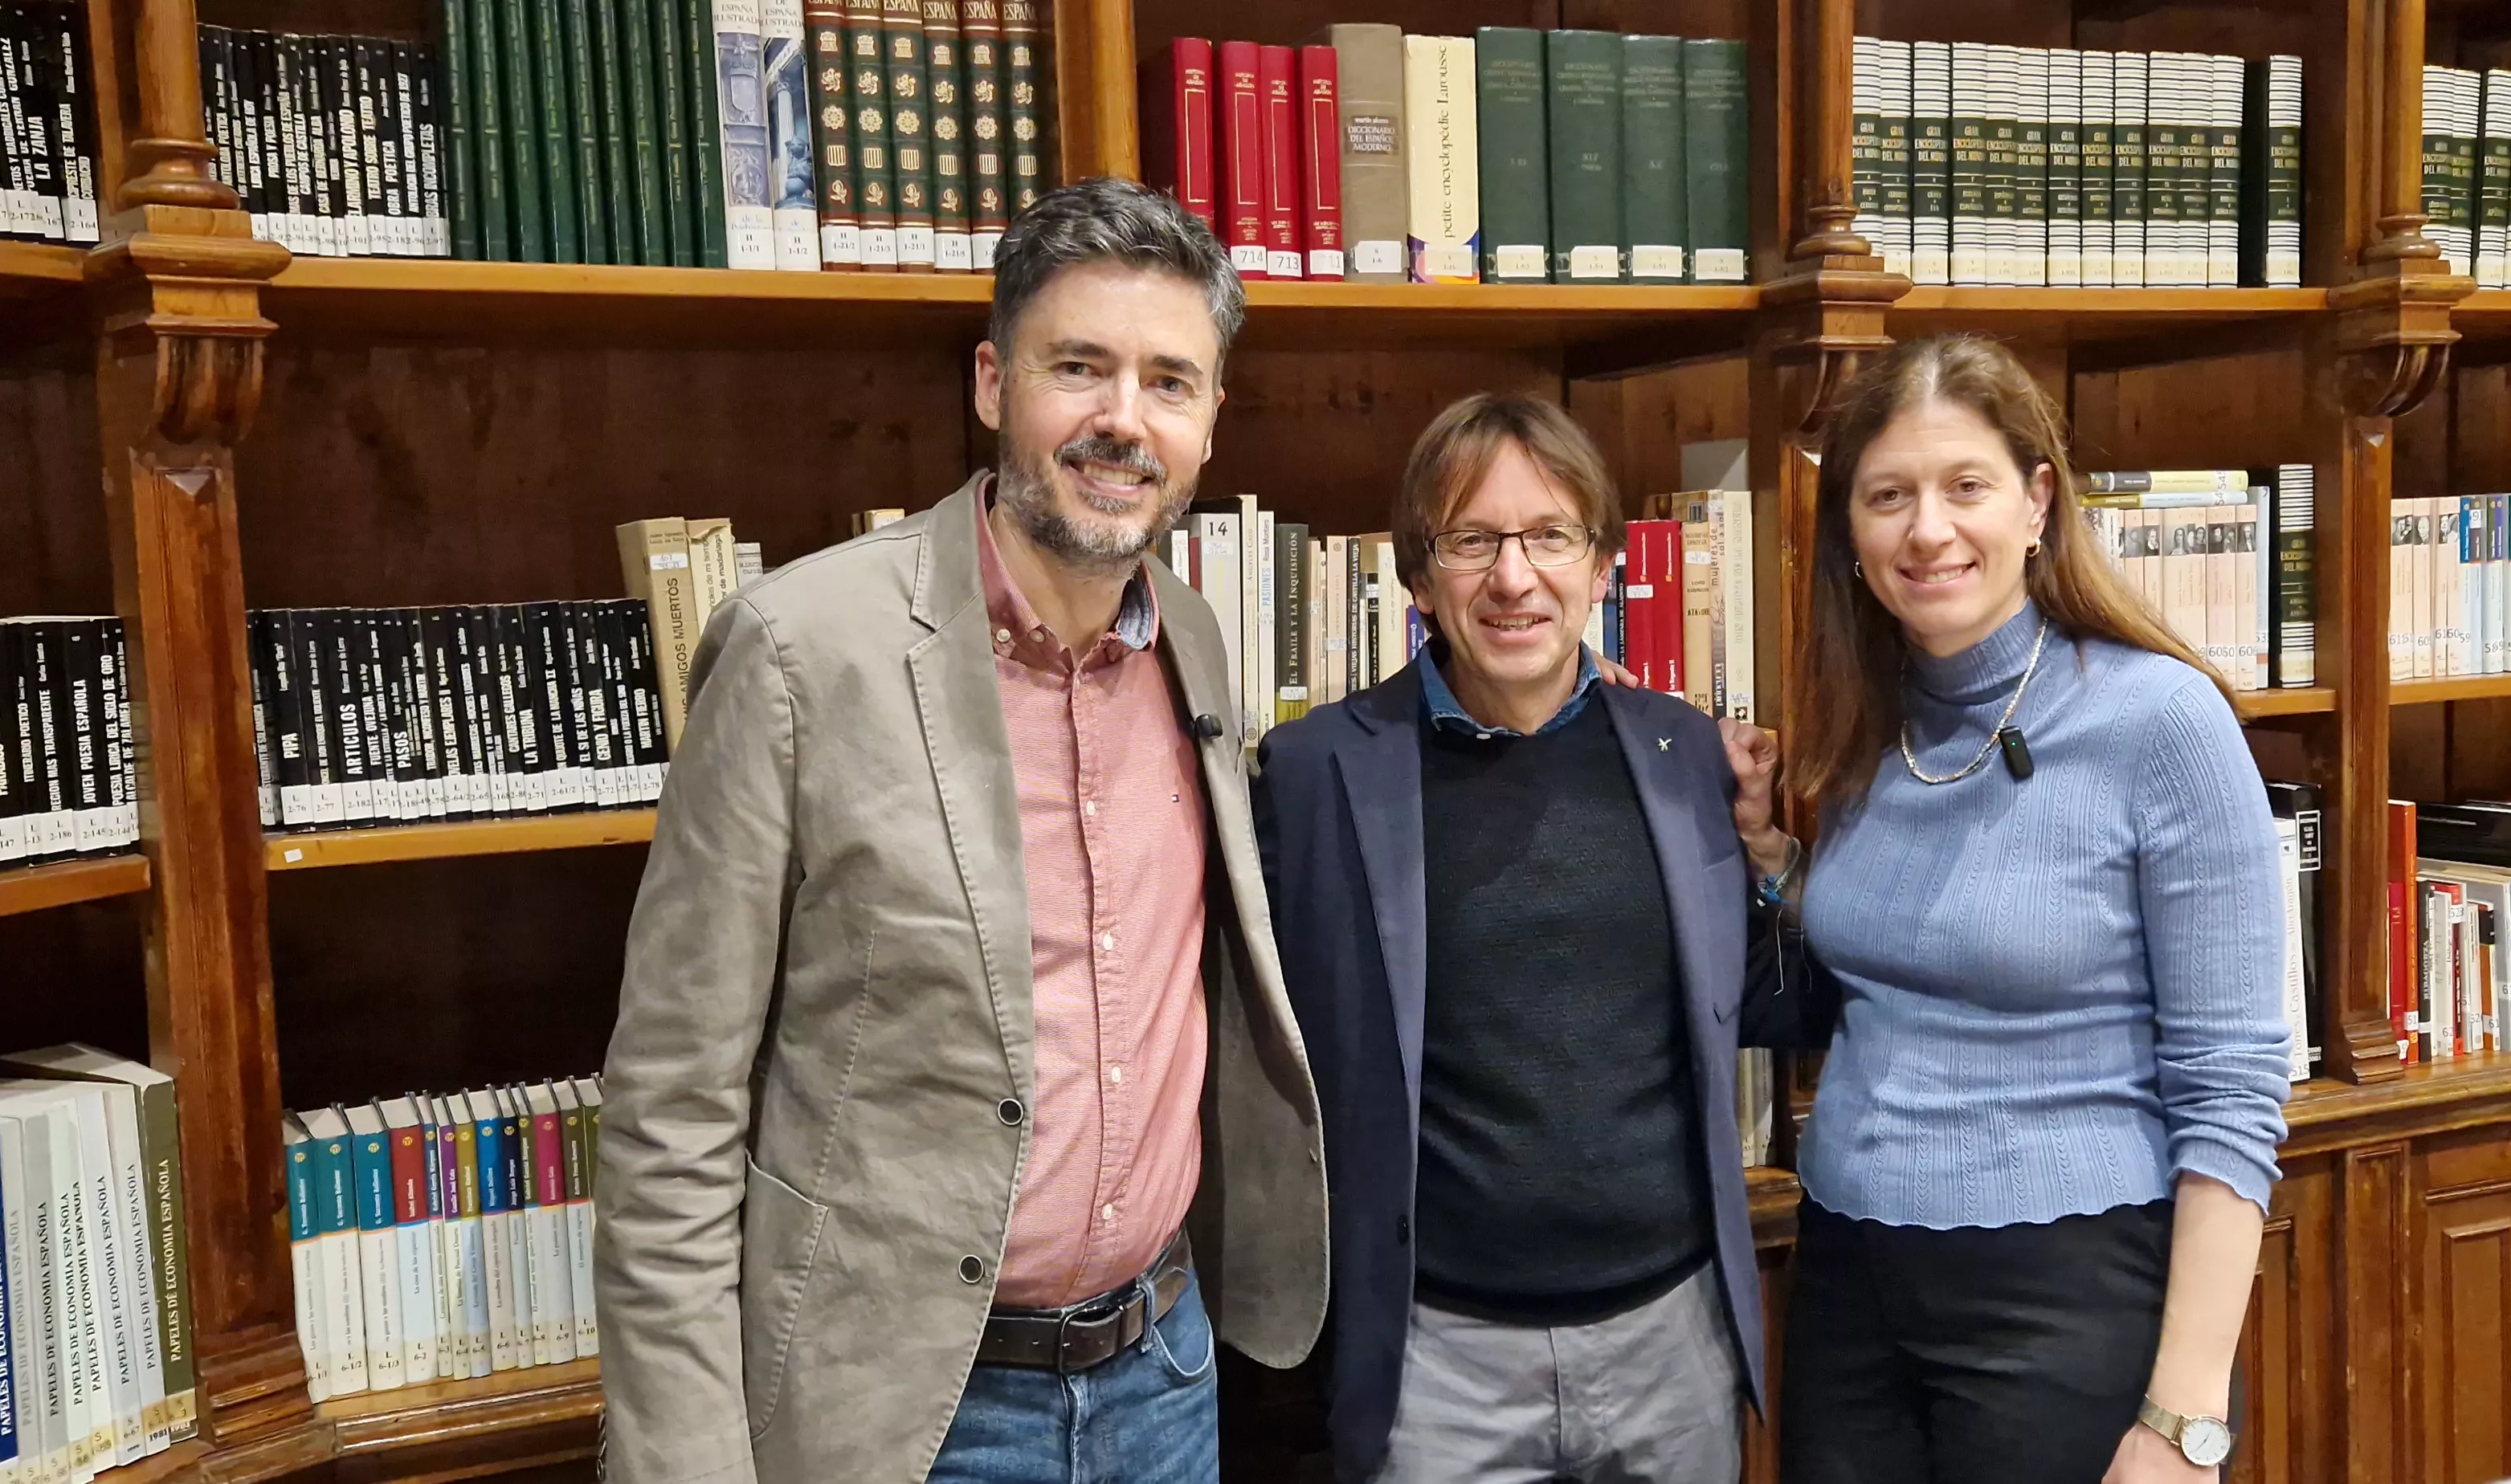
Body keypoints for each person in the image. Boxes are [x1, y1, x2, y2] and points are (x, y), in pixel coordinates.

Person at [594, 177, 1327, 1484]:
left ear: (1213, 420)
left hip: (1166, 1372)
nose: (1122, 419)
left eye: (1170, 381)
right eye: (1079, 367)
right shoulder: (800, 652)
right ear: (994, 383)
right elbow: (672, 1110)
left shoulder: (1198, 644)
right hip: (912, 1412)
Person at [1254, 393, 1811, 1484]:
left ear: (1602, 568)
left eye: (1550, 536)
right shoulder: (1318, 772)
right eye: (1472, 541)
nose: (1515, 579)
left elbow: (1764, 1001)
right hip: (1439, 1363)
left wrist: (1772, 864)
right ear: (1417, 578)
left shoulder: (1683, 752)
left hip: (1674, 1342)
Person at [1767, 334, 2292, 1484]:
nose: (1929, 530)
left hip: (2065, 1297)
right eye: (1889, 496)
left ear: (2038, 500)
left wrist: (2184, 1423)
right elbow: (1899, 957)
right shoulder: (1868, 719)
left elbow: (2236, 1089)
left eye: (1966, 487)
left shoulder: (2163, 722)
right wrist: (1771, 862)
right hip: (1849, 1279)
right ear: (1849, 533)